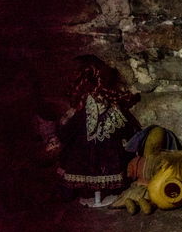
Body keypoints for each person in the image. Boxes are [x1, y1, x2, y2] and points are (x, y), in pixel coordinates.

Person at [58, 55, 140, 207]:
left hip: (87, 157)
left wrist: (62, 133)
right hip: (104, 157)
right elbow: (127, 129)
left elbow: (67, 133)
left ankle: (93, 193)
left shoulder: (82, 109)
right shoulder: (110, 106)